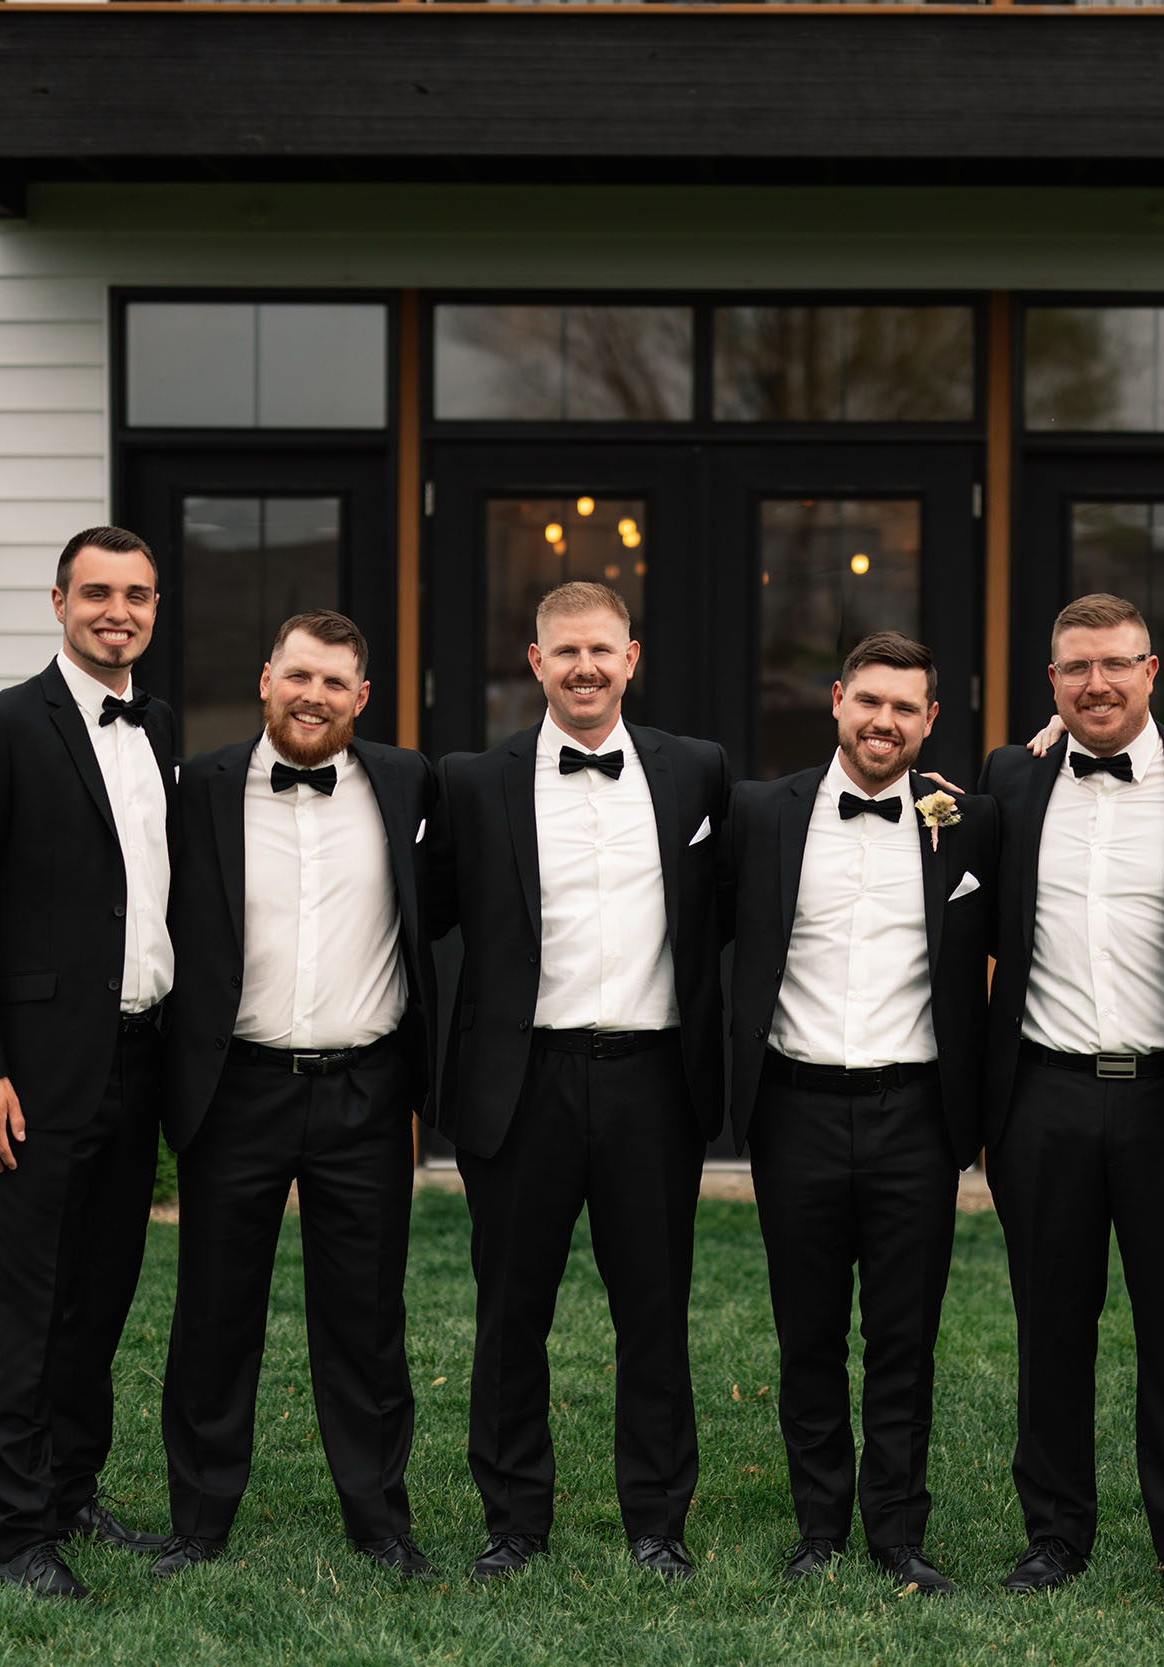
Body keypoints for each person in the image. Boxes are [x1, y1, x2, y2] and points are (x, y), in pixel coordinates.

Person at [422, 581, 733, 1581]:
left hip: (652, 1080)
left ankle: (657, 1517)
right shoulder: (472, 779)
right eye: (566, 651)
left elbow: (751, 879)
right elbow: (415, 904)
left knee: (654, 1309)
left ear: (632, 658)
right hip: (521, 1083)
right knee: (511, 1310)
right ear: (536, 660)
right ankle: (513, 1518)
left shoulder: (698, 772)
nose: (585, 667)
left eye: (602, 649)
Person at [978, 593, 1164, 1596]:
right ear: (1051, 683)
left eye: (1114, 663)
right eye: (1075, 668)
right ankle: (1054, 1533)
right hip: (1042, 1096)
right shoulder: (1009, 782)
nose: (1095, 682)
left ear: (1152, 670)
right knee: (1049, 1322)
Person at [150, 612, 441, 1581]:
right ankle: (199, 1518)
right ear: (266, 676)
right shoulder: (197, 789)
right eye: (299, 675)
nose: (313, 695)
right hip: (236, 1085)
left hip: (364, 1088)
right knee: (214, 1310)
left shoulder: (408, 786)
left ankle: (378, 1518)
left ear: (362, 698)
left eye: (336, 682)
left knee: (365, 1316)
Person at [0, 526, 177, 1599]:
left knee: (101, 1295)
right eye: (97, 592)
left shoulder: (159, 728)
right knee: (26, 1302)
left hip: (140, 1060)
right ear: (59, 601)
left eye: (137, 594)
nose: (117, 610)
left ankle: (73, 1489)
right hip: (30, 1074)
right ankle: (19, 1527)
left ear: (155, 608)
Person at [723, 632, 997, 1596]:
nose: (884, 721)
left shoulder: (968, 823)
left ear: (929, 722)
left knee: (904, 1334)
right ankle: (817, 1526)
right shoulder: (761, 813)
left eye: (905, 708)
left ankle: (897, 1530)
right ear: (838, 700)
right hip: (793, 1107)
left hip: (914, 1114)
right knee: (806, 1334)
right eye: (868, 700)